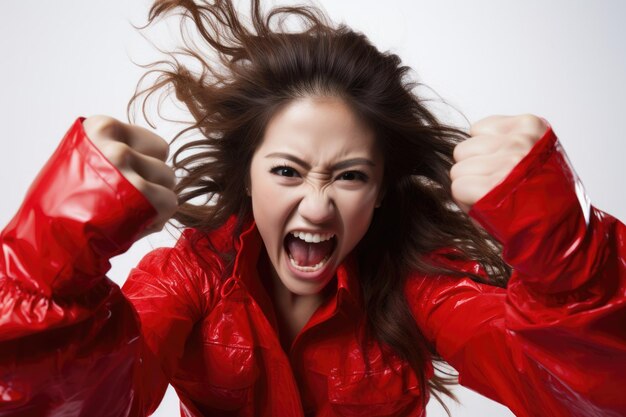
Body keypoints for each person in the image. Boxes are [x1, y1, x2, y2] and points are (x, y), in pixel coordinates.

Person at [0, 0, 624, 416]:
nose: (319, 207)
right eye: (287, 172)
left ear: (381, 188)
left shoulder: (422, 286)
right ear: (248, 177)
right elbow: (78, 401)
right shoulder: (187, 277)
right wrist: (44, 263)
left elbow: (578, 392)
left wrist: (568, 256)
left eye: (350, 175)